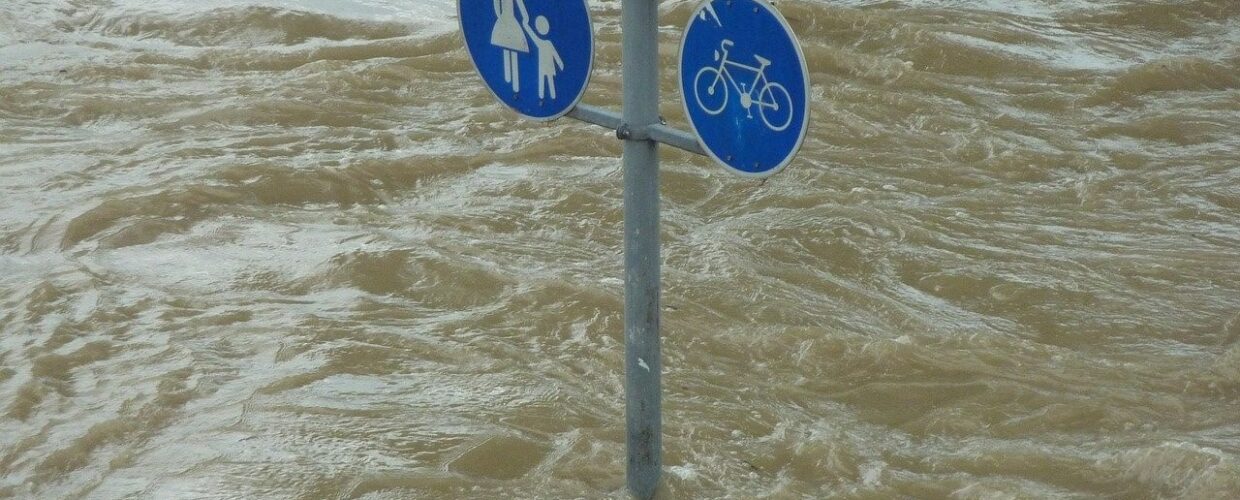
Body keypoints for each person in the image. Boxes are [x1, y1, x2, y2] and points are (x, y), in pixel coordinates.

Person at [491, 0, 531, 92]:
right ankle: (511, 82)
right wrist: (525, 17)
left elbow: (496, 5)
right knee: (509, 49)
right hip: (507, 21)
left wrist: (500, 18)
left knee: (511, 50)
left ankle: (513, 84)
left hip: (505, 21)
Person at [523, 16, 564, 100]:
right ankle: (544, 97)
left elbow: (555, 54)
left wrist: (560, 64)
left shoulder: (545, 43)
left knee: (548, 81)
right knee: (544, 81)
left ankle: (551, 97)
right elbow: (532, 36)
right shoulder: (543, 42)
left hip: (547, 66)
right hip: (544, 66)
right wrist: (525, 26)